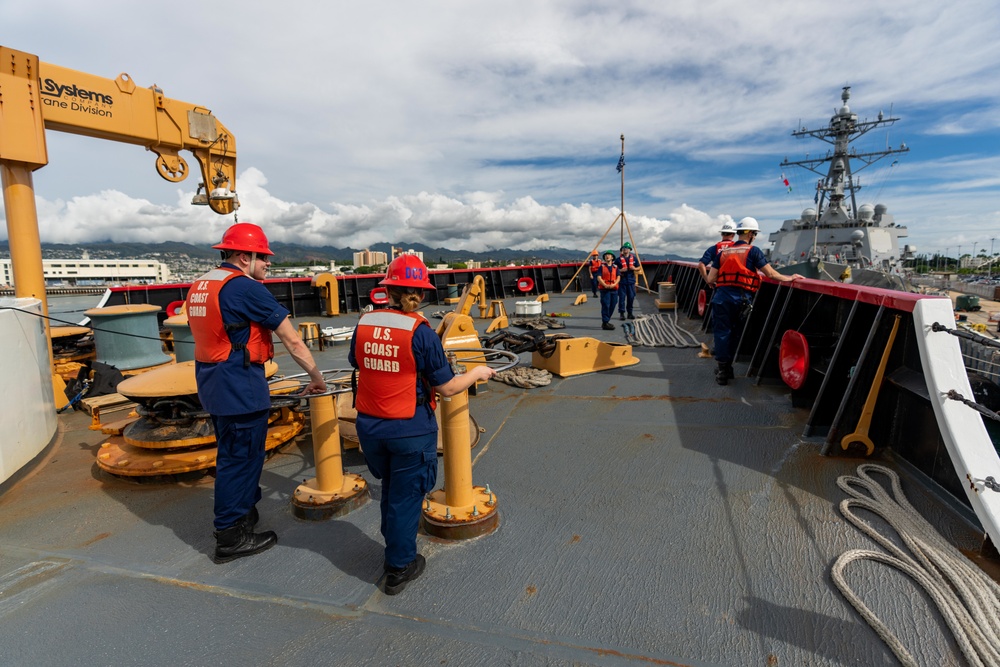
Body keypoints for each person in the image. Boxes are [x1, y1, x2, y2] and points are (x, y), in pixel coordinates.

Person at [349, 254, 496, 595]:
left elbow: (359, 361)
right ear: (419, 293)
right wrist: (477, 372)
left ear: (388, 289)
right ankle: (399, 566)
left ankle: (394, 544)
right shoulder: (421, 332)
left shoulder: (365, 322)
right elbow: (447, 388)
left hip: (370, 427)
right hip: (409, 430)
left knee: (391, 490)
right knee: (405, 496)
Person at [187, 222, 327, 564]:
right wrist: (316, 376)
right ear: (243, 255)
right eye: (263, 257)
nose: (267, 264)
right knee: (241, 459)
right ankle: (230, 536)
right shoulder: (245, 289)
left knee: (235, 452)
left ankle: (245, 514)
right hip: (240, 385)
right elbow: (292, 340)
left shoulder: (202, 284)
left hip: (212, 380)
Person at [706, 217, 802, 385]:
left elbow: (710, 278)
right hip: (741, 298)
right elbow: (771, 274)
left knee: (722, 333)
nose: (755, 237)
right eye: (755, 234)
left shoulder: (723, 253)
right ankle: (727, 366)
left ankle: (723, 371)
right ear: (750, 234)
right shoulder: (753, 251)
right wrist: (790, 278)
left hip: (721, 297)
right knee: (735, 333)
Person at [698, 220, 737, 284]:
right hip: (734, 282)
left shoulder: (713, 248)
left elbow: (701, 265)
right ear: (733, 234)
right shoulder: (738, 248)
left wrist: (708, 280)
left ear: (722, 234)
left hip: (719, 283)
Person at [615, 241, 640, 320]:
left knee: (631, 297)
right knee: (621, 298)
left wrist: (635, 268)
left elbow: (639, 267)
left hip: (631, 281)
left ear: (629, 250)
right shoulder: (618, 260)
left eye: (626, 248)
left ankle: (630, 313)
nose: (625, 249)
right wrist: (621, 270)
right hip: (622, 281)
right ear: (622, 250)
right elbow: (614, 269)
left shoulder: (634, 259)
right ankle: (622, 313)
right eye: (624, 248)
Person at [597, 249, 620, 330]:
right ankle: (605, 322)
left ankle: (607, 321)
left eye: (609, 255)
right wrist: (605, 285)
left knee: (613, 304)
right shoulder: (601, 267)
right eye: (606, 255)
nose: (607, 256)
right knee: (606, 305)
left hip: (614, 289)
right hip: (605, 289)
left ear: (612, 257)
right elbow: (599, 277)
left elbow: (618, 277)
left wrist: (614, 284)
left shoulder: (616, 267)